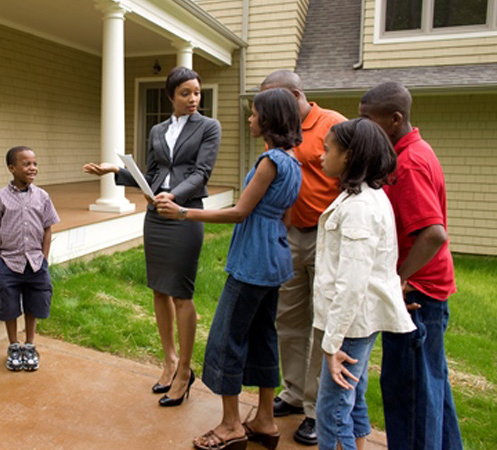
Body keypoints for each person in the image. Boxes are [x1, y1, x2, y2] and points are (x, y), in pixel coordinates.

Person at [158, 87, 302, 450]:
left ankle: (230, 425)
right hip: (276, 258)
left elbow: (239, 212)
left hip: (252, 264)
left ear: (268, 120)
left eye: (254, 114)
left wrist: (183, 212)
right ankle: (266, 420)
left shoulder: (269, 162)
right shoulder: (294, 161)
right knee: (265, 337)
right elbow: (284, 216)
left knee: (226, 339)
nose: (250, 119)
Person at [82, 66, 220, 407]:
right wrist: (118, 171)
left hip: (185, 214)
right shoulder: (158, 129)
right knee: (159, 289)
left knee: (181, 295)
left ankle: (186, 371)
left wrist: (174, 196)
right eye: (185, 93)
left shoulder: (209, 127)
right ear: (171, 95)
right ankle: (170, 360)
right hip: (156, 216)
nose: (192, 99)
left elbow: (202, 173)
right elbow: (155, 171)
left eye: (197, 93)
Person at [360, 82, 463, 450]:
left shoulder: (410, 163)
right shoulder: (408, 152)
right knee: (431, 387)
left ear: (395, 119)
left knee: (411, 396)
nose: (363, 124)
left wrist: (397, 281)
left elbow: (433, 234)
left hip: (417, 294)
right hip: (422, 288)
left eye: (368, 118)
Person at [312, 118, 416, 450]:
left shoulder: (359, 208)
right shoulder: (367, 197)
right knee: (352, 396)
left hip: (351, 324)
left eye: (328, 150)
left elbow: (352, 284)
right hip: (357, 322)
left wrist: (331, 343)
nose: (321, 157)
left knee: (331, 407)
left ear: (351, 155)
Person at [260, 70, 347, 446]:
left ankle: (315, 408)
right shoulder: (278, 132)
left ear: (296, 94)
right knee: (289, 317)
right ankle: (294, 392)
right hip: (291, 235)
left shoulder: (335, 125)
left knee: (323, 321)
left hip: (329, 238)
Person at [0, 146, 60, 372]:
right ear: (12, 168)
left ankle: (30, 345)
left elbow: (48, 229)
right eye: (26, 164)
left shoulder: (43, 196)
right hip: (10, 262)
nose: (32, 168)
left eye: (34, 163)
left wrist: (44, 259)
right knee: (9, 305)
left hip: (35, 262)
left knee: (34, 304)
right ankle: (13, 345)